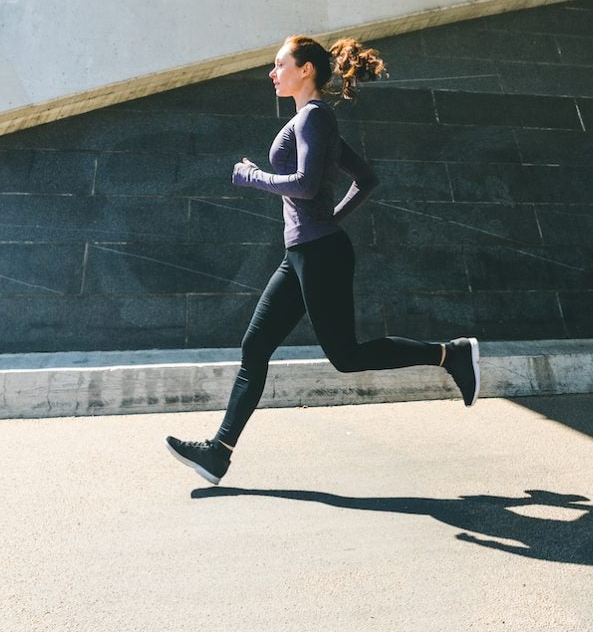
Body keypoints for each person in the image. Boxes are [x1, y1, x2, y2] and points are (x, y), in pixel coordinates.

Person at [166, 35, 480, 486]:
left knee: (346, 356)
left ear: (306, 69)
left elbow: (306, 185)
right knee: (255, 347)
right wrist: (327, 220)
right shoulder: (315, 121)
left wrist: (252, 175)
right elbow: (366, 179)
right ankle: (219, 452)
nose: (272, 74)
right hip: (303, 252)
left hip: (319, 254)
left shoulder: (313, 118)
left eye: (279, 65)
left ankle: (451, 354)